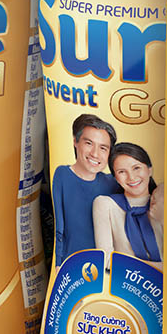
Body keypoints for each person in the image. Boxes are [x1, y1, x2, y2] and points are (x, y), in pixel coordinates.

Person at [51, 113, 122, 266]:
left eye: (103, 148)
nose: (95, 154)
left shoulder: (113, 182)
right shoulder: (62, 174)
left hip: (104, 269)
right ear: (75, 142)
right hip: (71, 266)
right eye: (89, 143)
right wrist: (58, 264)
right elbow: (58, 225)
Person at [93, 143, 163, 267]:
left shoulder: (164, 200)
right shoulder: (105, 204)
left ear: (149, 170)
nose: (131, 177)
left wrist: (163, 218)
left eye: (136, 168)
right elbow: (106, 260)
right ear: (115, 178)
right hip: (126, 279)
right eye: (122, 172)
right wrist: (161, 268)